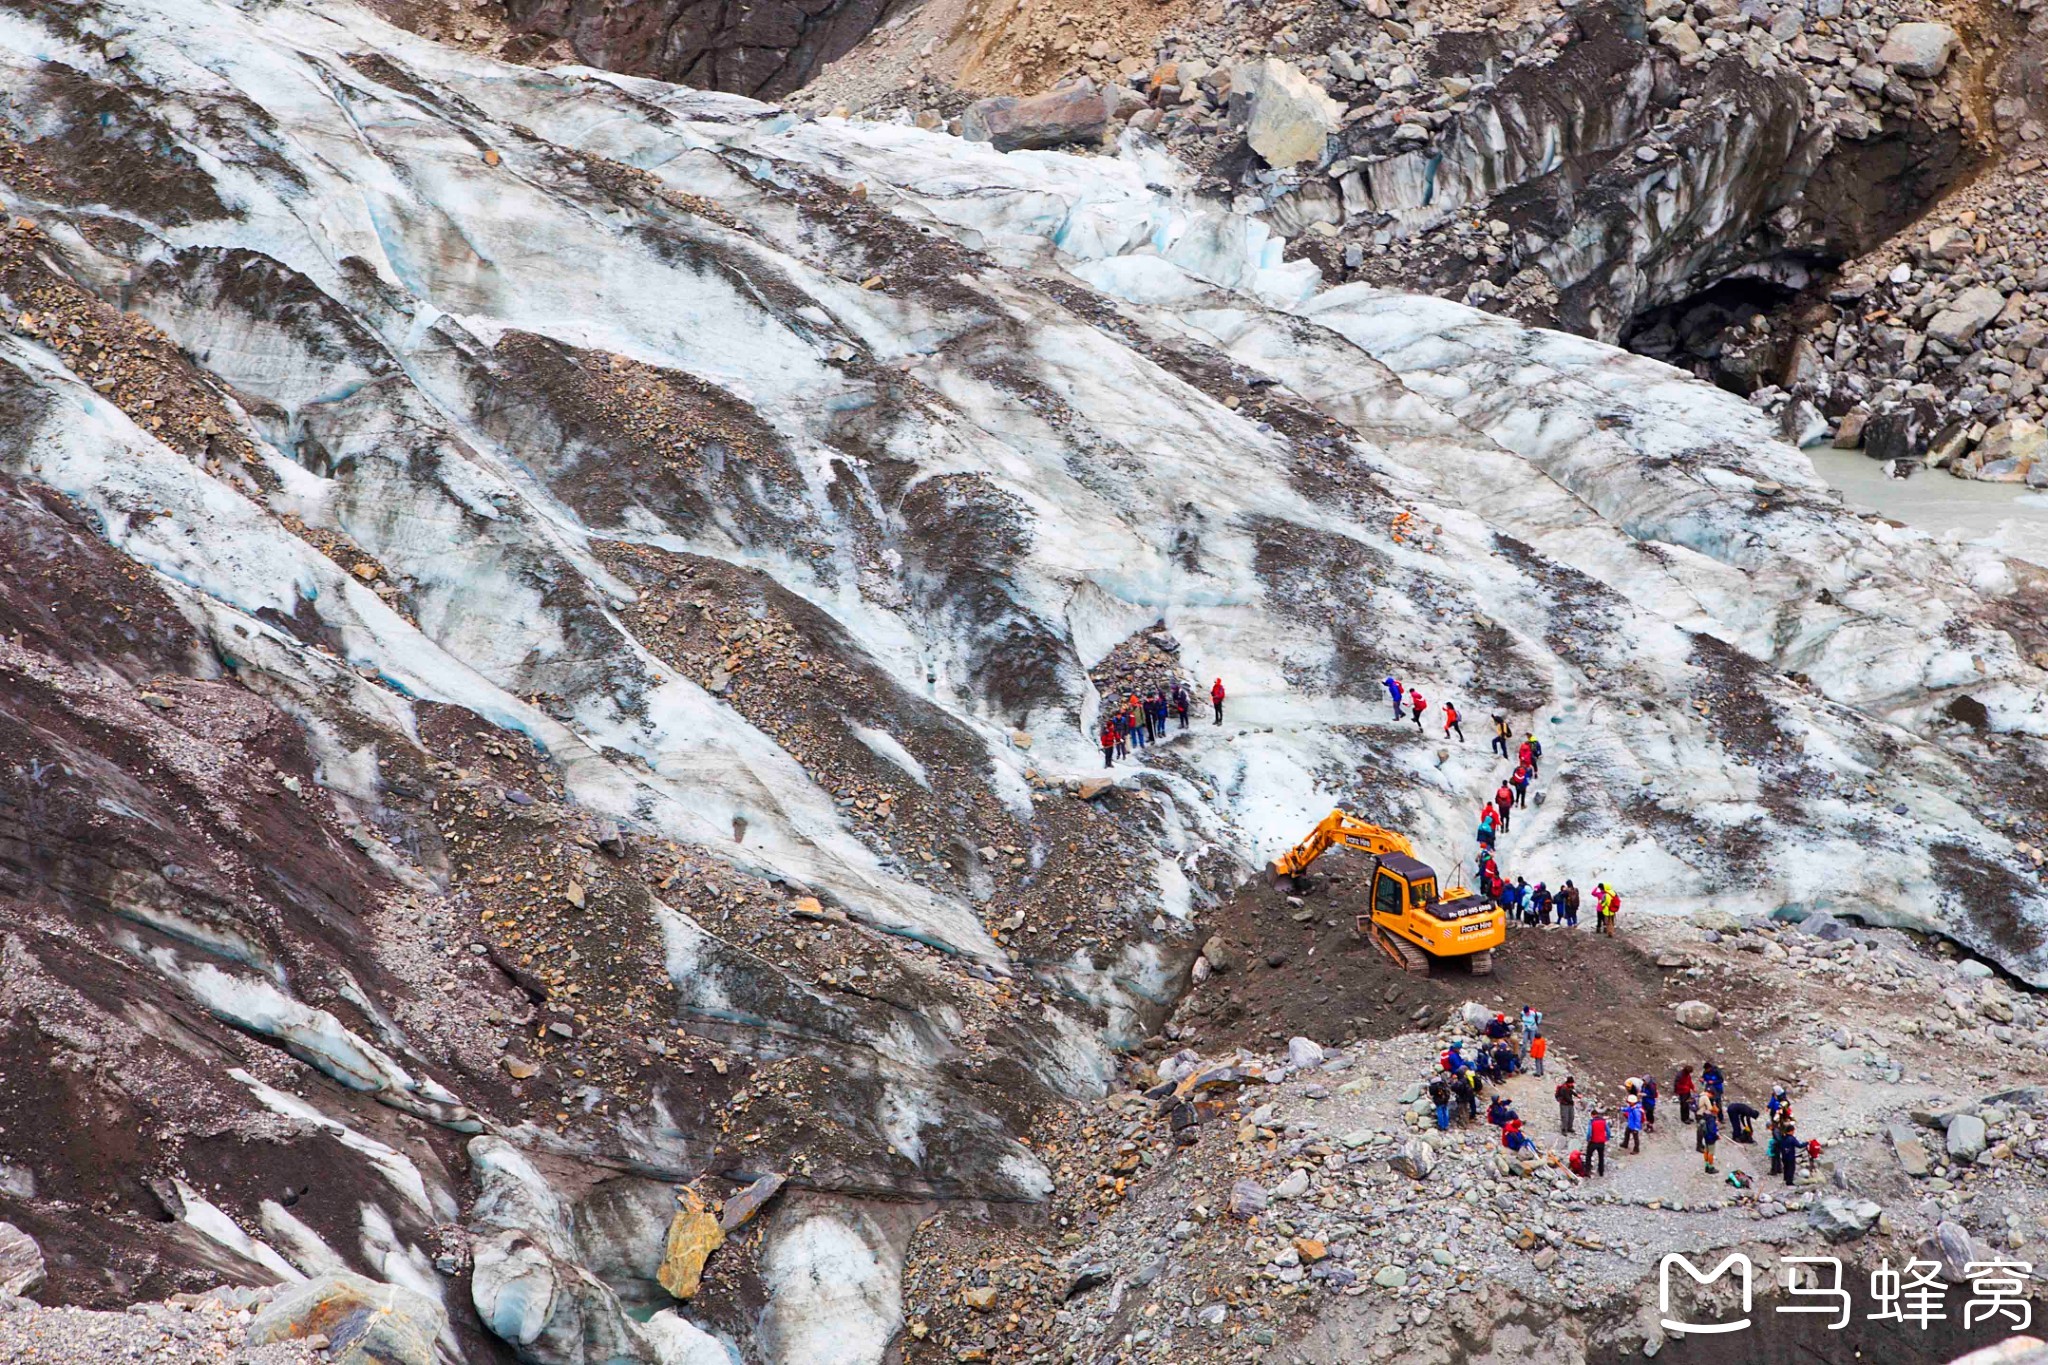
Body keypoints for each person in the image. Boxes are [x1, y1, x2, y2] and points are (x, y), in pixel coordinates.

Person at [1585, 1110, 1609, 1176]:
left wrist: (1587, 1139)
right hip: (1601, 1142)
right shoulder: (1604, 1121)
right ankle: (1601, 1171)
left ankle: (1587, 1171)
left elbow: (1589, 1132)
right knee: (1601, 1156)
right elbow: (1608, 1131)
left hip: (1593, 1142)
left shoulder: (1592, 1122)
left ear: (1592, 1115)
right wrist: (1607, 1138)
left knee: (1588, 1155)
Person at [1700, 1109, 1721, 1173]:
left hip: (1706, 1137)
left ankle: (1706, 1166)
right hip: (1711, 1138)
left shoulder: (1706, 1118)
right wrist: (1717, 1136)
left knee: (1706, 1151)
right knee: (1711, 1153)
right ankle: (1710, 1168)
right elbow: (1712, 1130)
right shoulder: (1711, 1120)